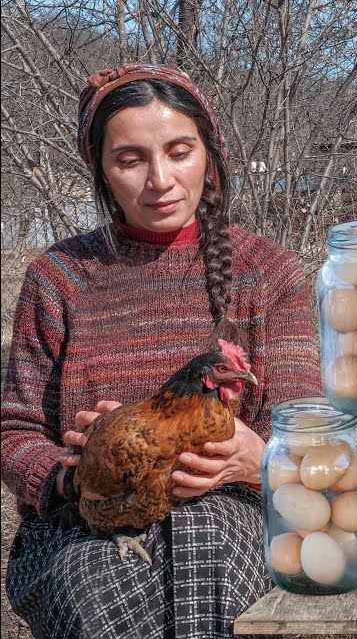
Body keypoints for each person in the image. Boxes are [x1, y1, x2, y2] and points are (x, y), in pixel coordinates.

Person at [2, 64, 322, 639]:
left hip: (238, 515)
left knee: (210, 547)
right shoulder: (60, 278)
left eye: (179, 152)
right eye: (130, 160)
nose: (160, 180)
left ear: (211, 157)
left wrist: (261, 459)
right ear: (101, 170)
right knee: (98, 579)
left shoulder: (270, 274)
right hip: (87, 525)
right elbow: (15, 431)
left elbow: (310, 433)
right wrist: (70, 475)